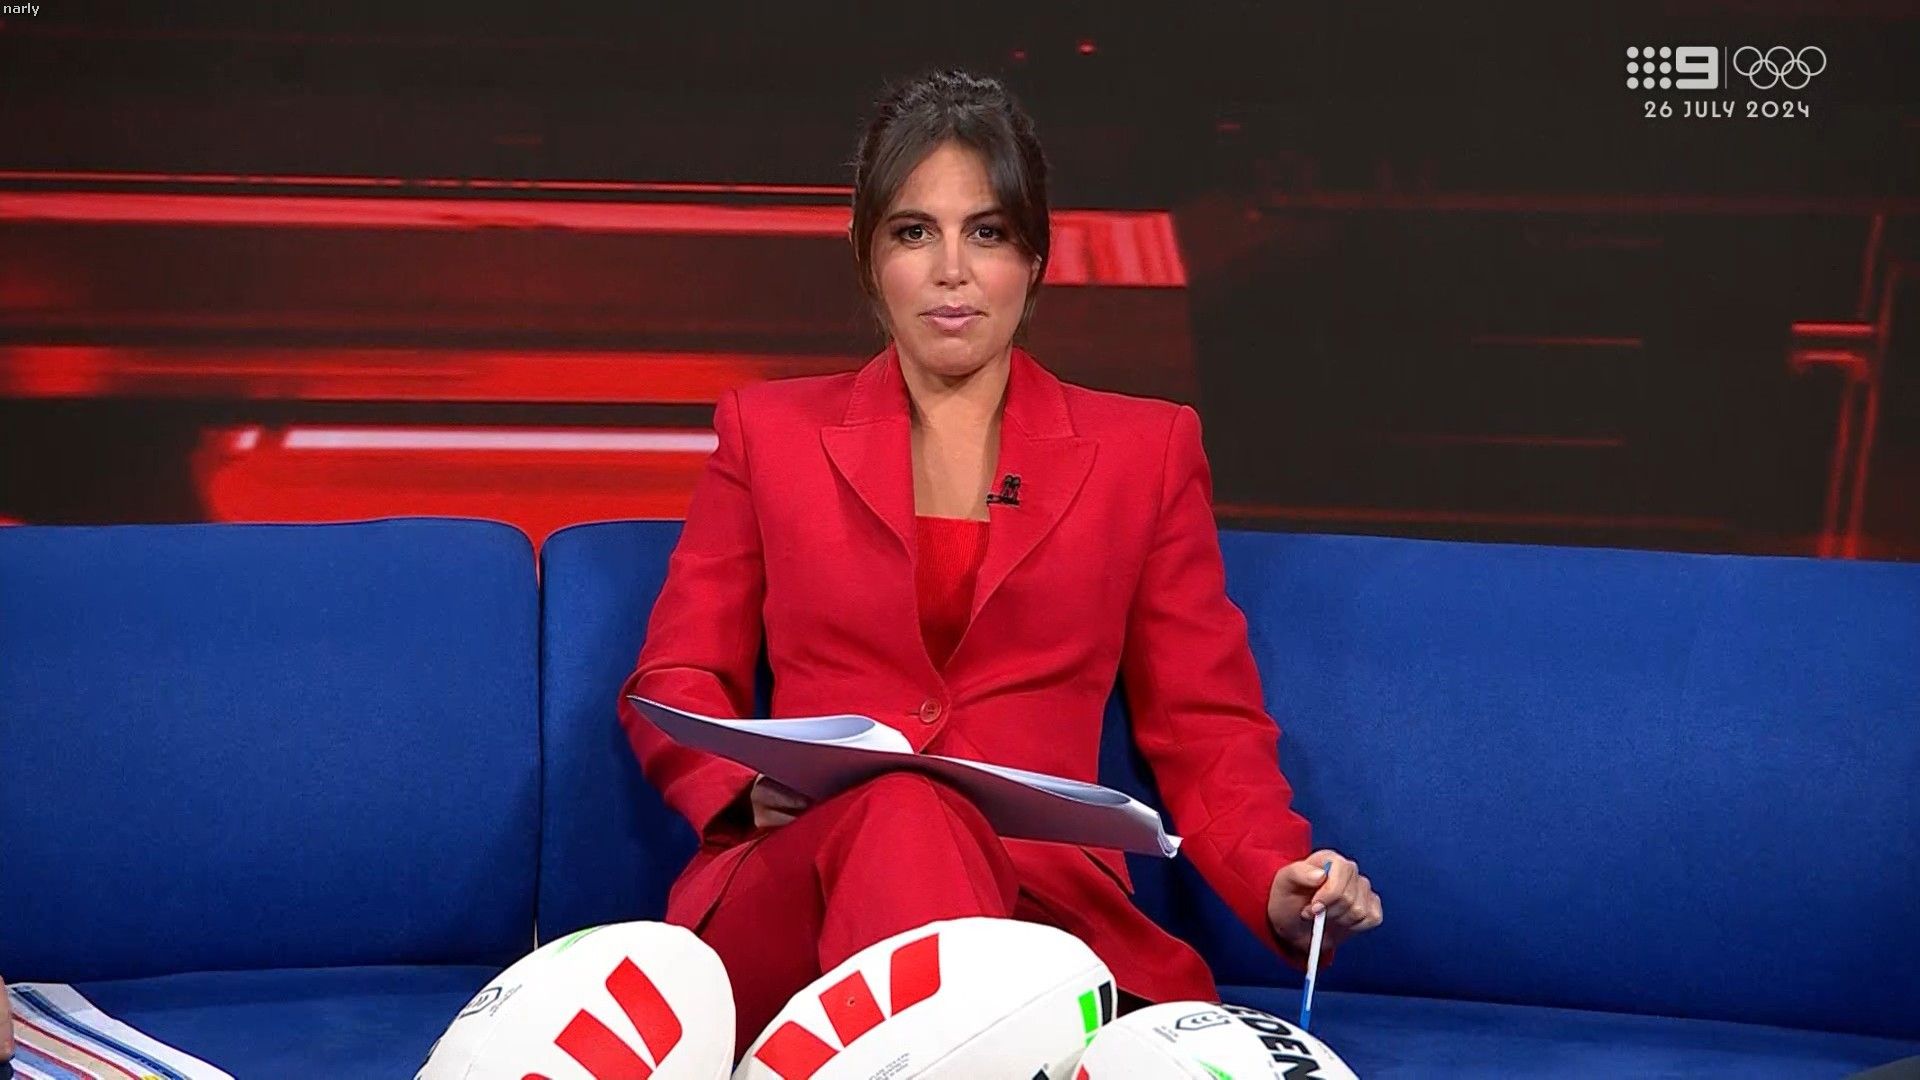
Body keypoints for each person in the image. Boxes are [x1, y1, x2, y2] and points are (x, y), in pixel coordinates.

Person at [618, 68, 1381, 1056]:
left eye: (986, 233)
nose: (952, 271)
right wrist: (735, 784)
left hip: (1044, 907)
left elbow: (1204, 726)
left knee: (934, 844)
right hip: (802, 896)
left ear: (1034, 256)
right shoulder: (768, 433)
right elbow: (677, 675)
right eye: (913, 232)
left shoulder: (1145, 453)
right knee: (903, 804)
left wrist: (1280, 879)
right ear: (866, 255)